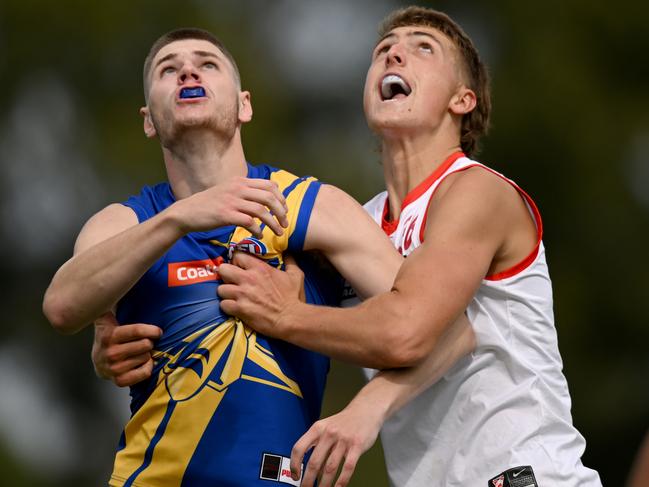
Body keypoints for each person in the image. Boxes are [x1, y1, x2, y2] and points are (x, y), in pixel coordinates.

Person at [42, 27, 473, 487]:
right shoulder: (126, 223)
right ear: (149, 120)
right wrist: (180, 218)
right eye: (168, 69)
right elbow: (62, 307)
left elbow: (448, 333)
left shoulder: (307, 205)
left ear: (244, 104)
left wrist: (364, 413)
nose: (188, 70)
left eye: (208, 63)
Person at [214, 6, 603, 487]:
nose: (393, 53)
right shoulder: (357, 223)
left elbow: (407, 330)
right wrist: (118, 326)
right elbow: (235, 289)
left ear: (463, 100)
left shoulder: (477, 192)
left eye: (423, 48)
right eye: (383, 51)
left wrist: (287, 317)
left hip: (525, 475)